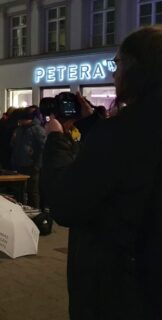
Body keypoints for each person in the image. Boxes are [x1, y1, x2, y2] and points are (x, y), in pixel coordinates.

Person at [45, 27, 162, 318]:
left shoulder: (122, 132)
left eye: (117, 63)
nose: (113, 73)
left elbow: (65, 204)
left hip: (119, 287)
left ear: (136, 68)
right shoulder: (126, 130)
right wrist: (93, 127)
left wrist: (57, 141)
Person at [10, 106, 46, 208]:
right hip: (20, 163)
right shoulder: (20, 129)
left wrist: (37, 164)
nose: (19, 122)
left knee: (32, 191)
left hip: (32, 165)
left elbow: (43, 148)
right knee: (19, 190)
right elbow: (14, 145)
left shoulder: (37, 129)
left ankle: (35, 211)